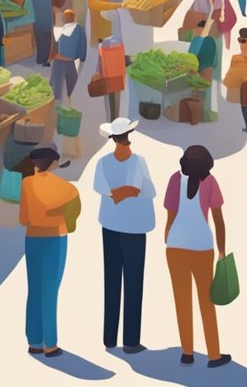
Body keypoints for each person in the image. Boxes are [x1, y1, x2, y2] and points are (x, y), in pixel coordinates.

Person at [163, 145, 231, 368]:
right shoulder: (210, 182)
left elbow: (170, 216)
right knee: (206, 302)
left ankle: (187, 352)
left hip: (175, 247)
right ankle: (213, 355)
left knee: (181, 300)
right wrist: (222, 250)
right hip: (202, 247)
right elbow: (219, 220)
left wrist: (168, 238)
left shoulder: (174, 179)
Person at [92, 118, 156, 354]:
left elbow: (100, 187)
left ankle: (109, 338)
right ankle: (130, 341)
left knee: (111, 279)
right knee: (133, 283)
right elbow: (150, 191)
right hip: (134, 228)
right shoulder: (139, 162)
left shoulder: (103, 163)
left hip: (110, 225)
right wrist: (129, 191)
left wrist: (116, 193)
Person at [20, 147, 79, 357]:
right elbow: (74, 213)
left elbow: (23, 219)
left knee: (34, 289)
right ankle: (50, 343)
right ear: (53, 164)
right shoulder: (65, 188)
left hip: (33, 238)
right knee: (50, 290)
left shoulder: (27, 184)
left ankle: (34, 341)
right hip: (56, 238)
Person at [50, 10, 87, 108]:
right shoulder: (75, 29)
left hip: (65, 61)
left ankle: (64, 105)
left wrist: (81, 57)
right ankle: (62, 105)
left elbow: (81, 45)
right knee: (62, 88)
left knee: (62, 87)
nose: (66, 18)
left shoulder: (77, 29)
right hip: (65, 60)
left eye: (67, 17)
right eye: (65, 17)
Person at [28, 0, 54, 66]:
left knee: (40, 41)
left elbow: (28, 5)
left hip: (38, 20)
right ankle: (46, 60)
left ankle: (40, 59)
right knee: (47, 41)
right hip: (48, 20)